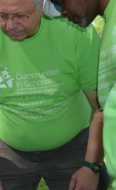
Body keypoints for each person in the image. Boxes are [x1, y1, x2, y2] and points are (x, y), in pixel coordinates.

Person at [0, 0, 106, 189]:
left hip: (74, 146)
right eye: (2, 16)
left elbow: (101, 106)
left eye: (20, 16)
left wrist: (91, 166)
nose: (11, 25)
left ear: (41, 8)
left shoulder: (77, 31)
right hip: (8, 148)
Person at [47, 0, 116, 188]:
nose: (62, 12)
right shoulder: (109, 25)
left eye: (59, 3)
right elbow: (105, 111)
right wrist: (90, 165)